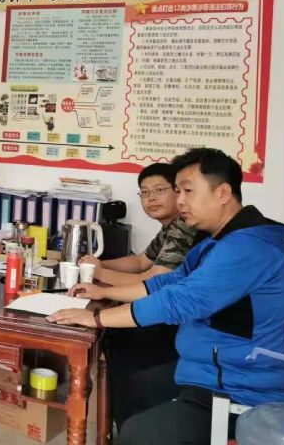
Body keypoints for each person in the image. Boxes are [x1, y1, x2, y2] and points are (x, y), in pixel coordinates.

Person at [47, 148, 284, 444]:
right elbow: (169, 282)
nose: (180, 201)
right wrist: (103, 291)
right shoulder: (215, 242)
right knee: (132, 389)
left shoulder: (248, 248)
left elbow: (179, 300)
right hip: (203, 370)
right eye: (178, 192)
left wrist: (97, 318)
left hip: (238, 389)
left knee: (140, 433)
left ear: (223, 193)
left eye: (188, 191)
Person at [78, 162, 201, 429]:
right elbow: (139, 261)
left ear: (178, 192)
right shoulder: (170, 227)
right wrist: (96, 265)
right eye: (145, 193)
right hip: (169, 311)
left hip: (177, 321)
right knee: (113, 338)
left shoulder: (184, 227)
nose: (151, 198)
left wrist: (101, 276)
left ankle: (128, 421)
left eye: (159, 190)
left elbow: (153, 279)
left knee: (119, 342)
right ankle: (120, 421)